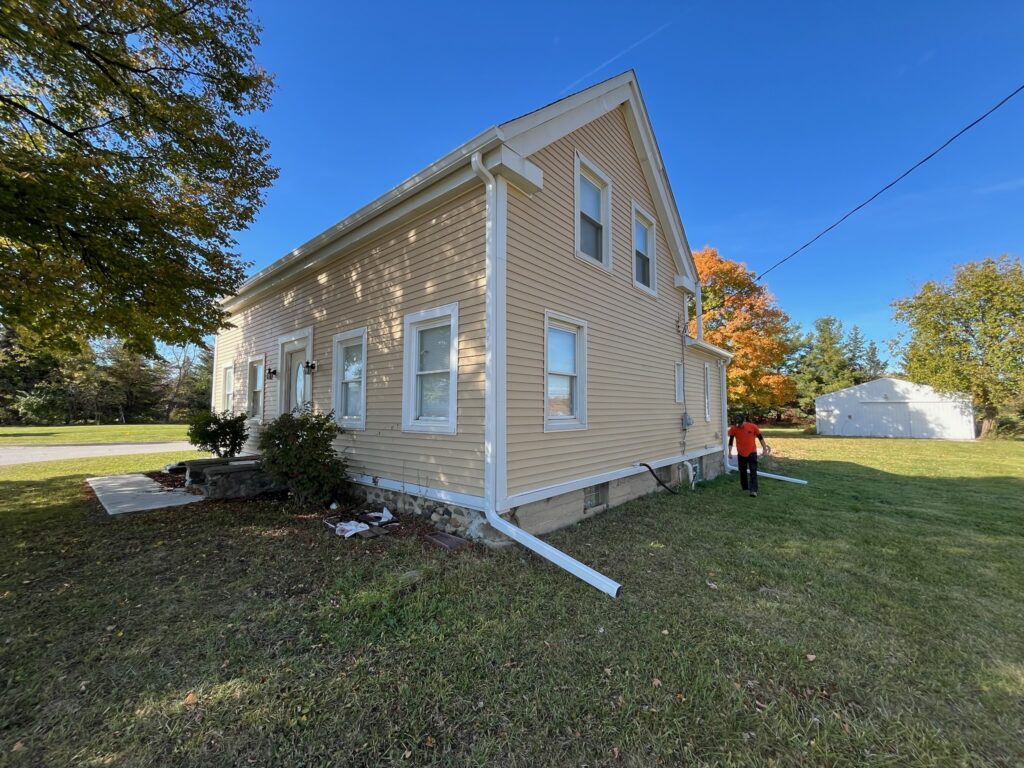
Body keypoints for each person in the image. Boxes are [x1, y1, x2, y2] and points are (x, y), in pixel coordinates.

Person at [728, 414, 769, 497]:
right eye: (736, 424)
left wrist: (764, 449)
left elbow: (760, 438)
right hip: (741, 453)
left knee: (753, 471)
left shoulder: (753, 427)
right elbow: (731, 441)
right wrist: (730, 452)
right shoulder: (733, 429)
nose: (738, 426)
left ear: (744, 421)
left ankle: (753, 490)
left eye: (739, 424)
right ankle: (745, 487)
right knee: (742, 471)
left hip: (752, 452)